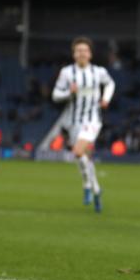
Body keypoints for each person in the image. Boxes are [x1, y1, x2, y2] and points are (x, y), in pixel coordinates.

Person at [52, 37, 115, 212]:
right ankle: (95, 189)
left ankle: (87, 184)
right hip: (73, 121)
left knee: (78, 151)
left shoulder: (98, 72)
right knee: (83, 158)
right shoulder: (67, 72)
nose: (81, 53)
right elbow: (55, 94)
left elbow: (110, 83)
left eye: (84, 50)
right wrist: (67, 93)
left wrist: (105, 99)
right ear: (74, 54)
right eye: (78, 50)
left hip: (92, 119)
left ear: (90, 54)